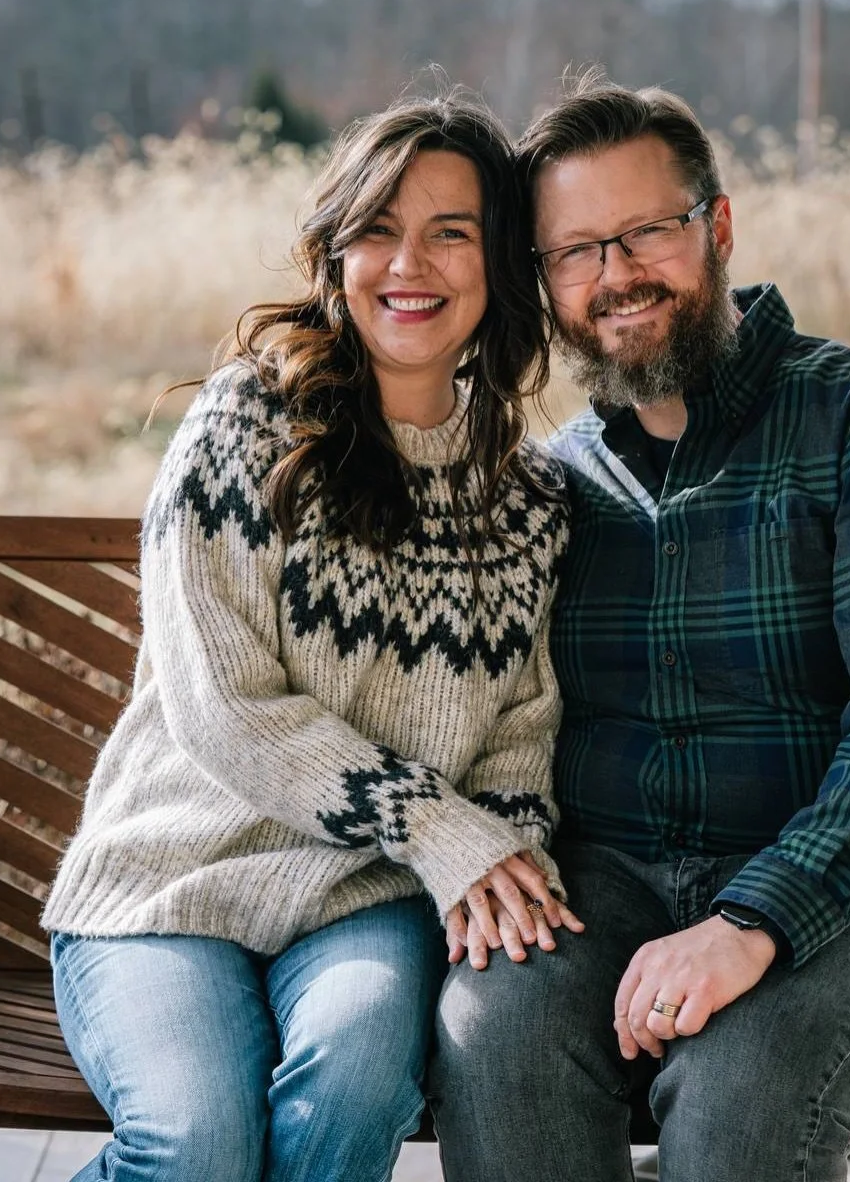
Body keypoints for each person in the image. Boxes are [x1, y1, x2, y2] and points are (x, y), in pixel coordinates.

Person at [430, 74, 850, 1181]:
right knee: (490, 1028)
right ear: (543, 280)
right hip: (617, 887)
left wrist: (753, 920)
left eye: (648, 231)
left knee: (742, 1084)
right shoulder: (557, 483)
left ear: (720, 226)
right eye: (576, 250)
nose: (616, 276)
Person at [43, 89, 581, 1182]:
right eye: (376, 229)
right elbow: (221, 700)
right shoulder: (248, 422)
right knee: (197, 1144)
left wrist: (503, 855)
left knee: (353, 1089)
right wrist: (435, 823)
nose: (408, 264)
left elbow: (523, 729)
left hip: (365, 896)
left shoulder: (530, 505)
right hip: (169, 882)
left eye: (450, 232)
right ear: (334, 256)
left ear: (501, 260)